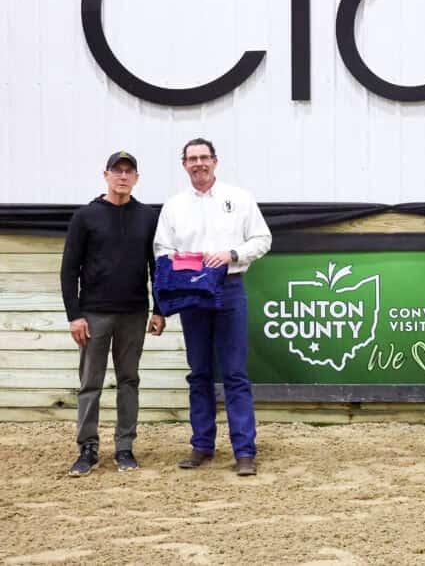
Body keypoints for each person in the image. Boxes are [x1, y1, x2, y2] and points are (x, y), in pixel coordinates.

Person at [154, 138, 271, 476]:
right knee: (199, 373)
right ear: (184, 165)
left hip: (230, 289)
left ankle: (244, 451)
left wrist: (232, 254)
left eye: (204, 157)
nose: (199, 163)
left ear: (215, 162)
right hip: (192, 294)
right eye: (193, 159)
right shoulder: (173, 206)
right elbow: (162, 250)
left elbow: (262, 240)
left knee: (235, 373)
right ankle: (202, 445)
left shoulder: (240, 198)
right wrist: (185, 263)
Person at [60, 151, 166, 476]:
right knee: (90, 382)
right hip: (93, 315)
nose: (123, 176)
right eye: (117, 171)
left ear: (136, 178)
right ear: (105, 174)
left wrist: (159, 309)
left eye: (129, 171)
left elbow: (156, 267)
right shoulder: (86, 217)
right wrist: (74, 315)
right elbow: (69, 269)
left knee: (129, 380)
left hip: (134, 313)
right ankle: (87, 448)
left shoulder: (148, 217)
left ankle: (125, 447)